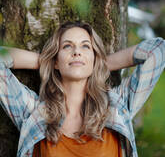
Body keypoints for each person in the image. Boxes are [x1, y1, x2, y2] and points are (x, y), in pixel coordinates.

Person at [0, 21, 165, 157]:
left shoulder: (116, 107)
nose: (77, 52)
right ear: (56, 60)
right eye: (67, 46)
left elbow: (157, 50)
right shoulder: (35, 113)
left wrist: (100, 64)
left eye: (85, 46)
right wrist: (47, 62)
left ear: (94, 56)